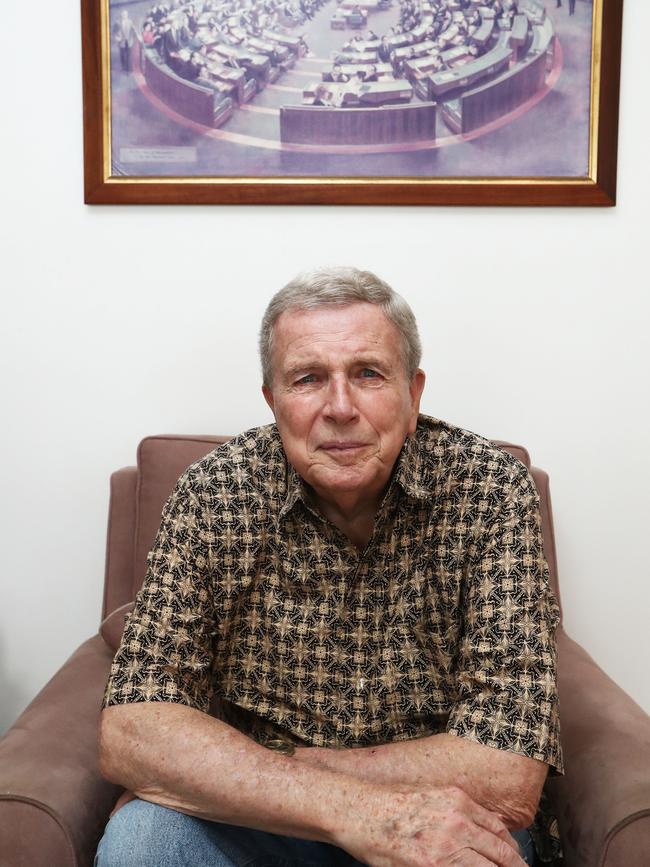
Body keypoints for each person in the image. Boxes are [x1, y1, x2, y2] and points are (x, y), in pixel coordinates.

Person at [96, 267, 562, 867]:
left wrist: (248, 766)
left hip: (440, 811)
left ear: (413, 394)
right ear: (272, 400)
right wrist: (353, 809)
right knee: (143, 846)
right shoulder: (215, 491)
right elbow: (132, 729)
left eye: (368, 374)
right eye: (308, 378)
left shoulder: (491, 490)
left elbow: (507, 769)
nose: (340, 407)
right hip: (262, 820)